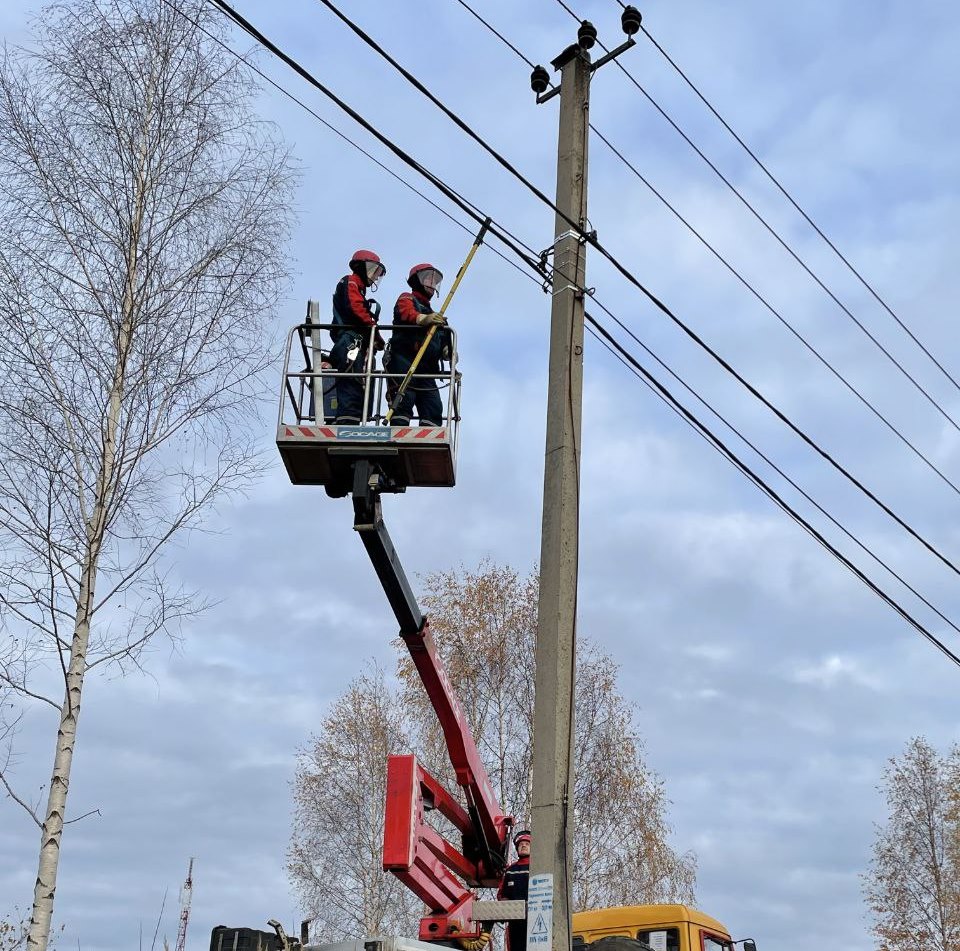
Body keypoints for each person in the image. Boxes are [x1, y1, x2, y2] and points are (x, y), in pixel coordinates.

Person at [386, 262, 448, 427]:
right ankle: (398, 434)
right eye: (428, 279)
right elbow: (406, 313)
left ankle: (430, 440)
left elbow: (442, 339)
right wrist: (423, 319)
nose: (432, 285)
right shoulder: (407, 298)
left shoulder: (436, 317)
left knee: (433, 406)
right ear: (416, 281)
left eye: (434, 282)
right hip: (403, 360)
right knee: (403, 400)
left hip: (425, 368)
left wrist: (447, 350)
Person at [330, 249, 386, 424]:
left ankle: (352, 419)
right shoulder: (351, 282)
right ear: (363, 267)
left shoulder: (358, 288)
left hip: (355, 341)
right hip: (350, 342)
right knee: (352, 380)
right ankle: (348, 421)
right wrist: (374, 331)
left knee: (358, 380)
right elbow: (357, 311)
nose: (376, 277)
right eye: (374, 271)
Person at [498, 829, 531, 951]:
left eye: (527, 844)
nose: (523, 846)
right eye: (521, 844)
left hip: (535, 918)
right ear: (517, 848)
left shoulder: (538, 867)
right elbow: (502, 894)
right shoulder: (510, 870)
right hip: (515, 921)